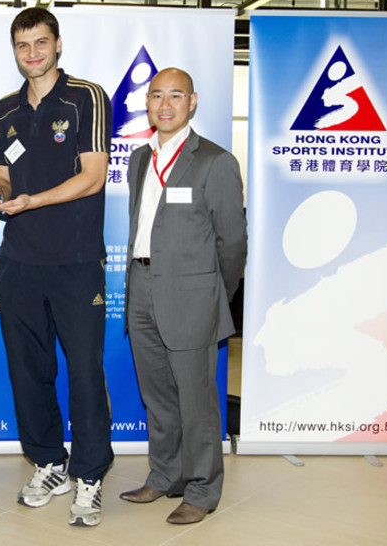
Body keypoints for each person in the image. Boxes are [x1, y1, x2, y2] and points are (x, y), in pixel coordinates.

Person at [0, 7, 114, 527]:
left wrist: (31, 201)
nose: (32, 53)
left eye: (41, 42)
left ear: (58, 44)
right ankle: (49, 462)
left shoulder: (87, 98)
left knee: (84, 370)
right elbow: (6, 176)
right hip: (19, 261)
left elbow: (94, 176)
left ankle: (89, 474)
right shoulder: (4, 110)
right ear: (14, 51)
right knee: (28, 370)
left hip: (76, 260)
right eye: (22, 45)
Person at [121, 67, 247, 525]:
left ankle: (202, 488)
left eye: (176, 95)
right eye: (157, 96)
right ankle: (166, 474)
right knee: (157, 395)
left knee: (196, 400)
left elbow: (232, 243)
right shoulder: (139, 158)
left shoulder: (214, 161)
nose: (165, 104)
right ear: (148, 104)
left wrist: (215, 292)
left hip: (191, 296)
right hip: (141, 289)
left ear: (192, 102)